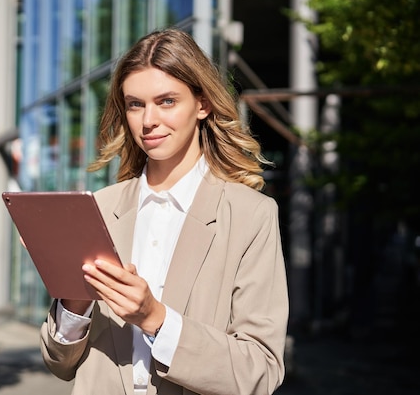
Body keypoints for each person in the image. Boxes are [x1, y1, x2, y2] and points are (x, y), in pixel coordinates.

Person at [40, 27, 289, 395]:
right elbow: (59, 363)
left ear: (202, 104)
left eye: (167, 101)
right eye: (135, 104)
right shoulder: (100, 208)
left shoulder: (251, 215)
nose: (148, 120)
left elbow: (260, 373)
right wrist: (75, 302)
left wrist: (155, 318)